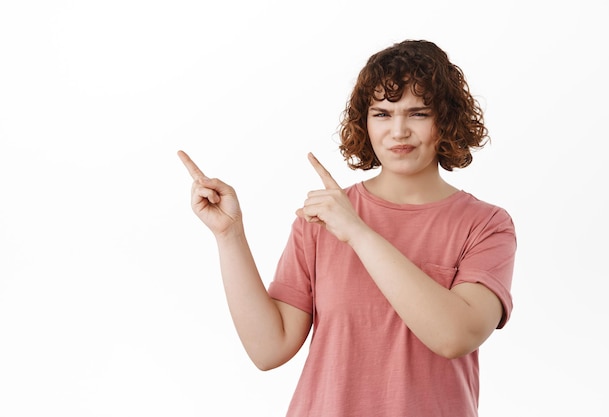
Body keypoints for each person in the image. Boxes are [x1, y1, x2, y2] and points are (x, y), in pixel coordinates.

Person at [178, 39, 516, 417]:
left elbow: (456, 336)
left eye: (418, 113)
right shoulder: (323, 218)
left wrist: (359, 232)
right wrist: (230, 236)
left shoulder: (485, 224)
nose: (399, 130)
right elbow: (268, 349)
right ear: (364, 121)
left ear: (446, 120)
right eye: (382, 114)